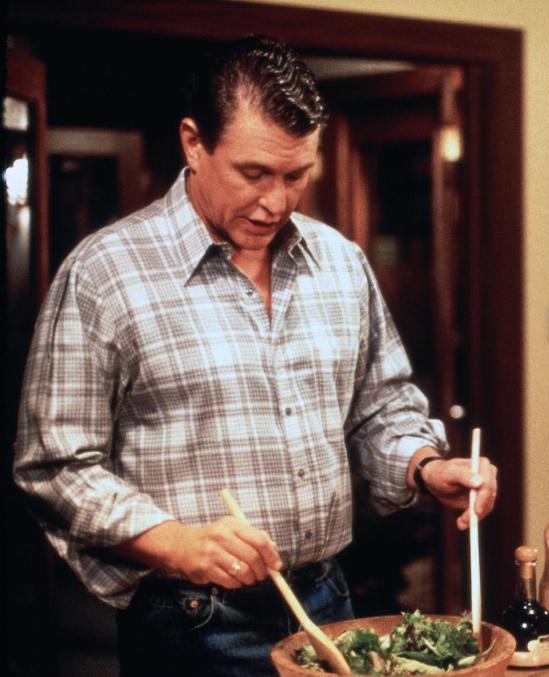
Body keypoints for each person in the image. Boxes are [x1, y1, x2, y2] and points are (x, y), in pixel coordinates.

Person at [13, 35, 497, 676]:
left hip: (329, 601)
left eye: (296, 176)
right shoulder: (105, 273)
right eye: (254, 173)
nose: (275, 202)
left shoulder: (341, 263)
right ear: (194, 143)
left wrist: (424, 465)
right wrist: (176, 544)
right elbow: (55, 465)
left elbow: (380, 407)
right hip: (191, 620)